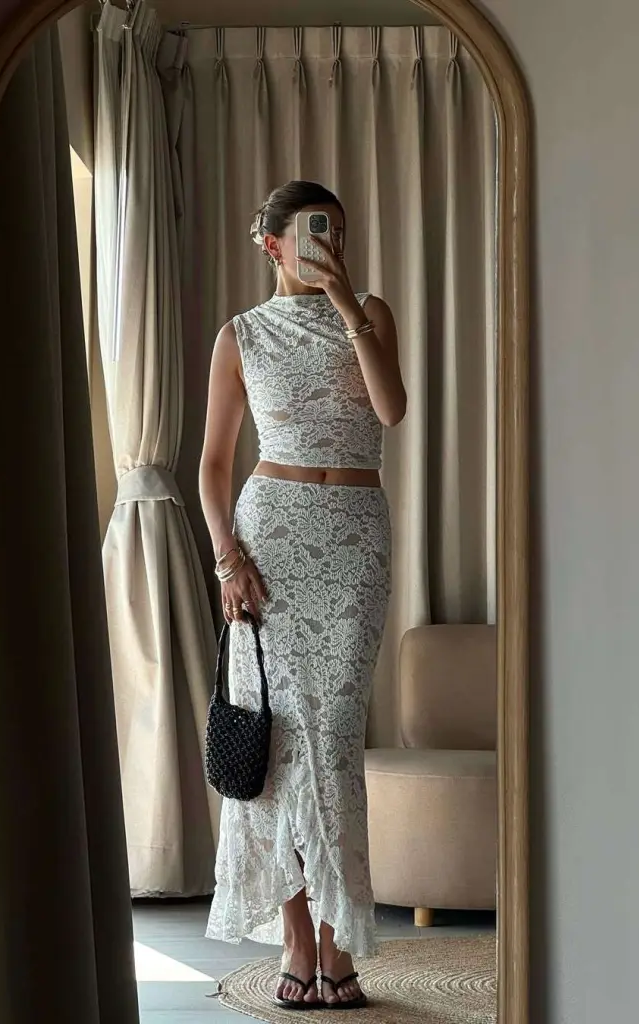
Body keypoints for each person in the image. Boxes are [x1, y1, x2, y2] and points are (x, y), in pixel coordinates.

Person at [199, 180, 406, 1010]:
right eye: (314, 235)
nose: (329, 244)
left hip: (354, 538)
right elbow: (213, 465)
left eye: (340, 233)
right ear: (271, 243)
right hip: (270, 534)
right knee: (278, 739)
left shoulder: (371, 310)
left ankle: (337, 941)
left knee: (333, 735)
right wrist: (225, 560)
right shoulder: (239, 334)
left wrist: (343, 298)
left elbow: (389, 410)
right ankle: (293, 939)